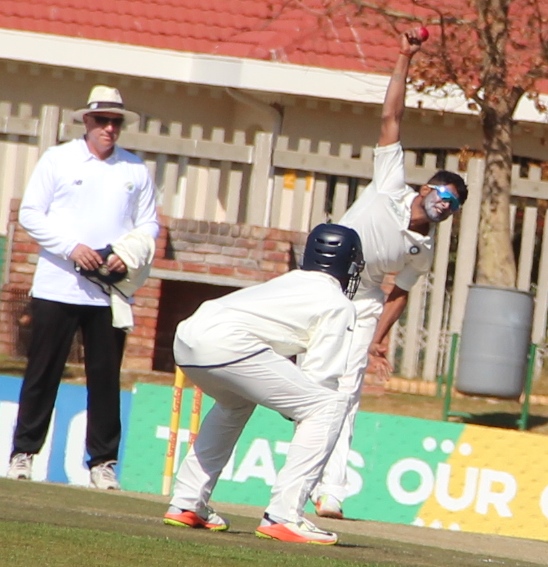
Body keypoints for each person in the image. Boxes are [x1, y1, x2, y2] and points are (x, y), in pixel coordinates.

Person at [312, 28, 469, 519]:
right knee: (310, 382)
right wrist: (404, 57)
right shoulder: (390, 182)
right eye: (444, 197)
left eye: (454, 206)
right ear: (426, 189)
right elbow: (391, 117)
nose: (445, 207)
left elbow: (398, 292)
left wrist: (379, 338)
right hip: (320, 281)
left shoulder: (424, 248)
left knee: (346, 391)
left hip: (363, 300)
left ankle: (330, 491)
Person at [163, 223, 364, 545]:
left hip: (186, 338)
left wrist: (292, 399)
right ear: (350, 264)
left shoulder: (289, 281)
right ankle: (284, 516)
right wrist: (297, 408)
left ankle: (187, 503)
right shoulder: (338, 304)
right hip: (228, 344)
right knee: (328, 405)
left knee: (235, 403)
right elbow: (322, 379)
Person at [6, 85, 159, 489]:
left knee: (105, 378)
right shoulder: (58, 159)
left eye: (116, 122)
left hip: (108, 292)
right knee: (43, 372)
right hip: (58, 285)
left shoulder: (134, 170)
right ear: (86, 121)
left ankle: (103, 463)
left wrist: (127, 254)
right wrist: (71, 248)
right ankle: (24, 454)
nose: (109, 128)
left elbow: (149, 225)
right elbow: (31, 214)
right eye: (102, 120)